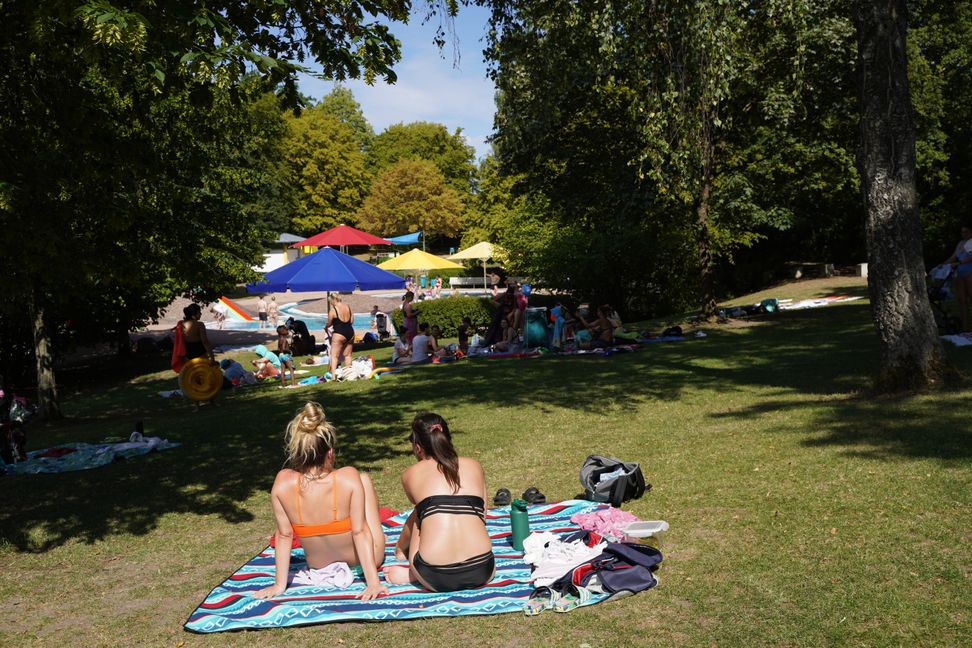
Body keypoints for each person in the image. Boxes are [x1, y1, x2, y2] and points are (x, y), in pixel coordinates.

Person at [253, 402, 388, 601]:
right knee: (364, 479)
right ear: (330, 453)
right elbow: (359, 532)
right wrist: (373, 582)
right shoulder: (349, 477)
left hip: (318, 567)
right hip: (361, 562)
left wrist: (279, 585)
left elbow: (284, 535)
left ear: (298, 454)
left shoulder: (282, 483)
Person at [385, 413, 494, 592]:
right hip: (483, 569)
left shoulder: (411, 474)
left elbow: (419, 516)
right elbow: (482, 516)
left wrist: (400, 547)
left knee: (422, 512)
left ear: (418, 447)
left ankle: (407, 564)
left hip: (434, 576)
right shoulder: (474, 465)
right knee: (442, 508)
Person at [944, 224, 972, 332]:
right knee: (961, 300)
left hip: (969, 271)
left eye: (966, 232)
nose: (964, 234)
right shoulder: (960, 243)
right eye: (962, 232)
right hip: (959, 272)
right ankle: (965, 328)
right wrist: (943, 264)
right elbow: (954, 256)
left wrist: (959, 263)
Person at [327, 294, 355, 376]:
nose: (331, 304)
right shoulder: (348, 307)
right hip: (350, 332)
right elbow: (351, 320)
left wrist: (326, 326)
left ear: (333, 300)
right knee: (348, 355)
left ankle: (333, 376)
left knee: (334, 356)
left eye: (330, 302)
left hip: (339, 333)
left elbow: (329, 324)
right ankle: (350, 375)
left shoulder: (333, 310)